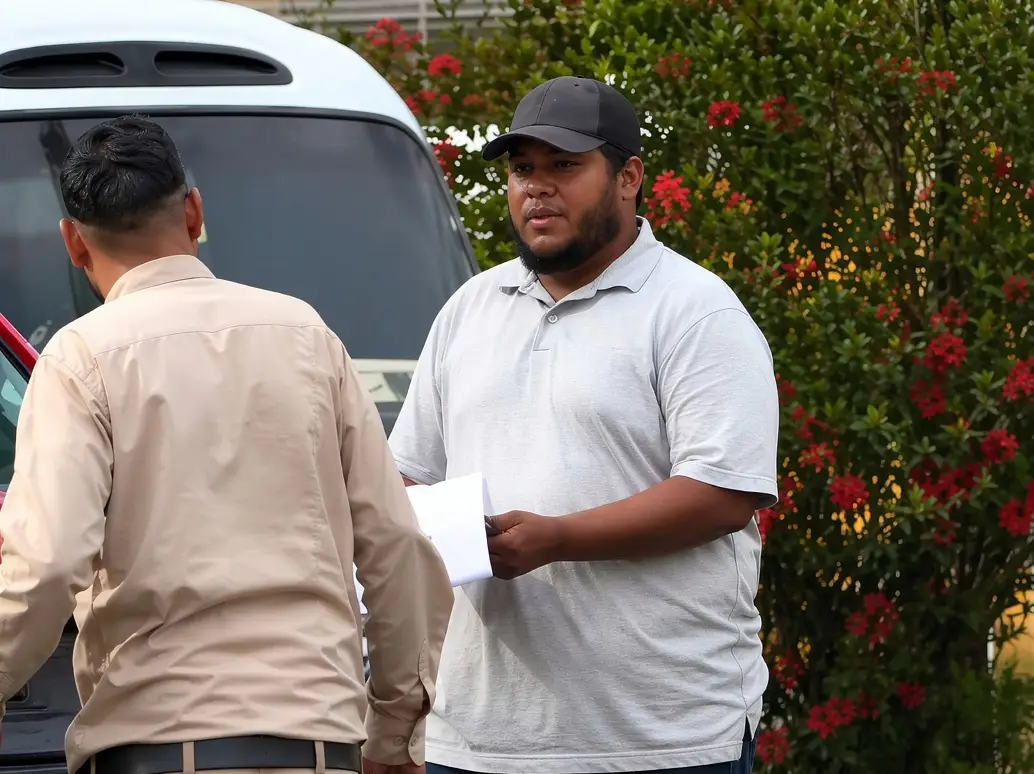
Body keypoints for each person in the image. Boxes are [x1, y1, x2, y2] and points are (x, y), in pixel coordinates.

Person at [0, 115, 452, 774]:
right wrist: (396, 728)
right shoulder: (306, 335)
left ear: (72, 242)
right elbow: (394, 543)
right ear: (193, 211)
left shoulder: (79, 359)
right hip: (319, 742)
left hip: (156, 743)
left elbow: (45, 565)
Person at [388, 77, 779, 774]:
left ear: (628, 178)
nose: (537, 188)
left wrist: (558, 538)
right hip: (478, 739)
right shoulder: (470, 308)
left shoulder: (694, 310)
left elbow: (723, 493)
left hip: (661, 739)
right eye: (521, 169)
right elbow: (409, 472)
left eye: (564, 166)